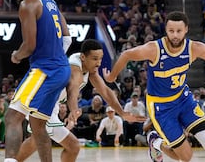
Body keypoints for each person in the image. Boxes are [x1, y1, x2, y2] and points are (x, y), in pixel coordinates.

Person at [103, 11, 205, 162]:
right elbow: (127, 54)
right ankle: (155, 141)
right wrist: (112, 76)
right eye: (171, 31)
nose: (175, 35)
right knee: (185, 157)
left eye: (179, 31)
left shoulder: (195, 48)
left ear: (186, 29)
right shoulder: (154, 49)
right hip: (161, 107)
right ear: (166, 30)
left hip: (183, 99)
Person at [15, 39, 145, 162]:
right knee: (73, 146)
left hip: (48, 102)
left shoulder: (90, 69)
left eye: (100, 58)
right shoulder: (75, 67)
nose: (99, 63)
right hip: (41, 101)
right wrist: (74, 109)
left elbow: (105, 91)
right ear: (83, 57)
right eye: (95, 59)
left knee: (35, 140)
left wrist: (122, 113)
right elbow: (73, 88)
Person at [4, 0, 72, 162]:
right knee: (38, 125)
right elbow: (67, 38)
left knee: (12, 117)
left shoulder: (27, 5)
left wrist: (16, 56)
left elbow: (29, 46)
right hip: (61, 70)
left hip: (44, 70)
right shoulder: (51, 2)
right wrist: (57, 56)